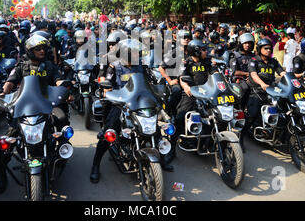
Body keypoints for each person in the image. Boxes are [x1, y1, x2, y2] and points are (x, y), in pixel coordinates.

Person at [90, 39, 172, 184]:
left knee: (156, 130)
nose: (136, 55)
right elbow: (107, 85)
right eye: (133, 53)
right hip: (121, 104)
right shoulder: (114, 66)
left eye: (137, 53)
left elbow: (150, 83)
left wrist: (159, 91)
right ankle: (95, 165)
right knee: (109, 133)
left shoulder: (141, 66)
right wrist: (107, 90)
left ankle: (162, 159)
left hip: (140, 104)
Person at [0, 35, 67, 194]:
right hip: (25, 107)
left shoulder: (49, 65)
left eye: (43, 48)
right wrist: (2, 93)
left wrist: (65, 86)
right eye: (38, 49)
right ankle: (1, 176)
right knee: (8, 140)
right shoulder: (21, 66)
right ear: (30, 51)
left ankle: (62, 152)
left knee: (62, 118)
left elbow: (58, 80)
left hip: (47, 105)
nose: (42, 51)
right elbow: (10, 82)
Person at [164, 39, 214, 163]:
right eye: (203, 50)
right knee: (180, 117)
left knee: (215, 115)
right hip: (191, 93)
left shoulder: (207, 62)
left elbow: (216, 74)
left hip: (207, 93)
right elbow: (182, 77)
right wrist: (186, 87)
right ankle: (172, 150)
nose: (205, 52)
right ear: (196, 52)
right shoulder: (186, 63)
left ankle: (209, 142)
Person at [240, 38, 286, 152]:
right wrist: (262, 84)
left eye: (270, 48)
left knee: (283, 111)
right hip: (256, 90)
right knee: (252, 115)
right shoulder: (254, 60)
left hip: (271, 90)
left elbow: (282, 73)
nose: (268, 50)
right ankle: (240, 138)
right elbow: (254, 75)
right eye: (266, 48)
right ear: (260, 49)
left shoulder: (273, 61)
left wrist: (291, 79)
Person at [229, 33, 256, 112]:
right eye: (245, 43)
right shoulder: (235, 55)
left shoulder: (253, 56)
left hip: (253, 78)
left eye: (250, 43)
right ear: (241, 44)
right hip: (239, 79)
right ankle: (240, 109)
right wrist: (248, 74)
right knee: (245, 87)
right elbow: (234, 72)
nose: (248, 45)